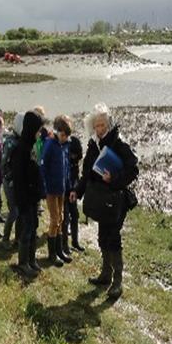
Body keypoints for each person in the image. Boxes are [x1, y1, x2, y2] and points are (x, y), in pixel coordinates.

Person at [70, 103, 138, 299]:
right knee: (102, 237)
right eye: (96, 126)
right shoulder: (93, 145)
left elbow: (133, 170)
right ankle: (105, 274)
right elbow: (87, 174)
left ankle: (117, 282)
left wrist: (114, 180)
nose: (99, 129)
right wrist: (77, 190)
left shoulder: (119, 144)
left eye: (102, 125)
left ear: (108, 124)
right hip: (101, 200)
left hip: (116, 199)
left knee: (113, 238)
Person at [12, 111, 46, 277]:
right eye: (38, 130)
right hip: (25, 199)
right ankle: (22, 263)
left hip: (33, 198)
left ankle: (31, 260)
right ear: (31, 128)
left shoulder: (32, 145)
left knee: (33, 228)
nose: (40, 133)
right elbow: (19, 179)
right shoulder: (21, 149)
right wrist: (22, 201)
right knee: (26, 230)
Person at [40, 115, 74, 266]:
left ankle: (59, 250)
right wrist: (44, 186)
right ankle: (52, 254)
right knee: (54, 219)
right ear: (57, 132)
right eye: (63, 135)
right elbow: (43, 166)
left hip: (61, 189)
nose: (65, 138)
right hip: (51, 189)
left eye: (67, 136)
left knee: (60, 218)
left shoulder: (64, 146)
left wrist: (69, 186)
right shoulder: (50, 145)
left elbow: (66, 168)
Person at [0, 112, 24, 247]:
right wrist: (10, 178)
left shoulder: (21, 141)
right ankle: (5, 238)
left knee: (19, 210)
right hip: (9, 182)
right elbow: (3, 164)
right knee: (14, 211)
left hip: (17, 181)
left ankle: (17, 238)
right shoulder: (10, 143)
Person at [62, 134, 84, 252]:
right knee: (64, 219)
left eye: (76, 154)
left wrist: (75, 190)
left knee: (75, 215)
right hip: (64, 192)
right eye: (72, 154)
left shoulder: (75, 163)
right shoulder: (64, 161)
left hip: (72, 192)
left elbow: (76, 178)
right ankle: (64, 245)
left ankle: (75, 242)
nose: (74, 156)